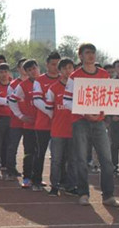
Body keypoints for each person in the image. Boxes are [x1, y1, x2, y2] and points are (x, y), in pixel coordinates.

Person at [63, 43, 119, 207]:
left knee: (107, 160)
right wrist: (84, 112)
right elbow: (66, 101)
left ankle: (108, 196)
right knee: (81, 159)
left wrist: (103, 112)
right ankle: (83, 194)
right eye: (87, 53)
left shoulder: (104, 74)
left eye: (93, 53)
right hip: (80, 122)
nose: (91, 55)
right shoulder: (75, 76)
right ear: (80, 56)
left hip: (99, 122)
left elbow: (108, 97)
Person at [45, 58, 77, 196]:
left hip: (74, 130)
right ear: (59, 70)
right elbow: (48, 109)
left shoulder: (78, 87)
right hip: (58, 130)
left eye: (70, 67)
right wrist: (56, 119)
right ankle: (54, 186)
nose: (67, 71)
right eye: (64, 68)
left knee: (72, 160)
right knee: (56, 160)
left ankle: (70, 186)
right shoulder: (53, 88)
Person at [31, 51, 62, 191]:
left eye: (58, 64)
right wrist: (52, 113)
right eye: (53, 64)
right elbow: (37, 101)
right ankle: (36, 180)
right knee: (40, 153)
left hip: (60, 125)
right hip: (43, 124)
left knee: (60, 155)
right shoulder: (39, 80)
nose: (56, 67)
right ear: (47, 64)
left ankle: (61, 181)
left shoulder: (65, 80)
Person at [8, 59, 40, 189]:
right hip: (29, 125)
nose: (33, 71)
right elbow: (12, 100)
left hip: (44, 125)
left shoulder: (45, 82)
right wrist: (21, 116)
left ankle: (37, 178)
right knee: (29, 151)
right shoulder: (22, 85)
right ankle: (27, 177)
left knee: (40, 152)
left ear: (38, 68)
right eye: (29, 70)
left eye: (34, 68)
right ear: (26, 72)